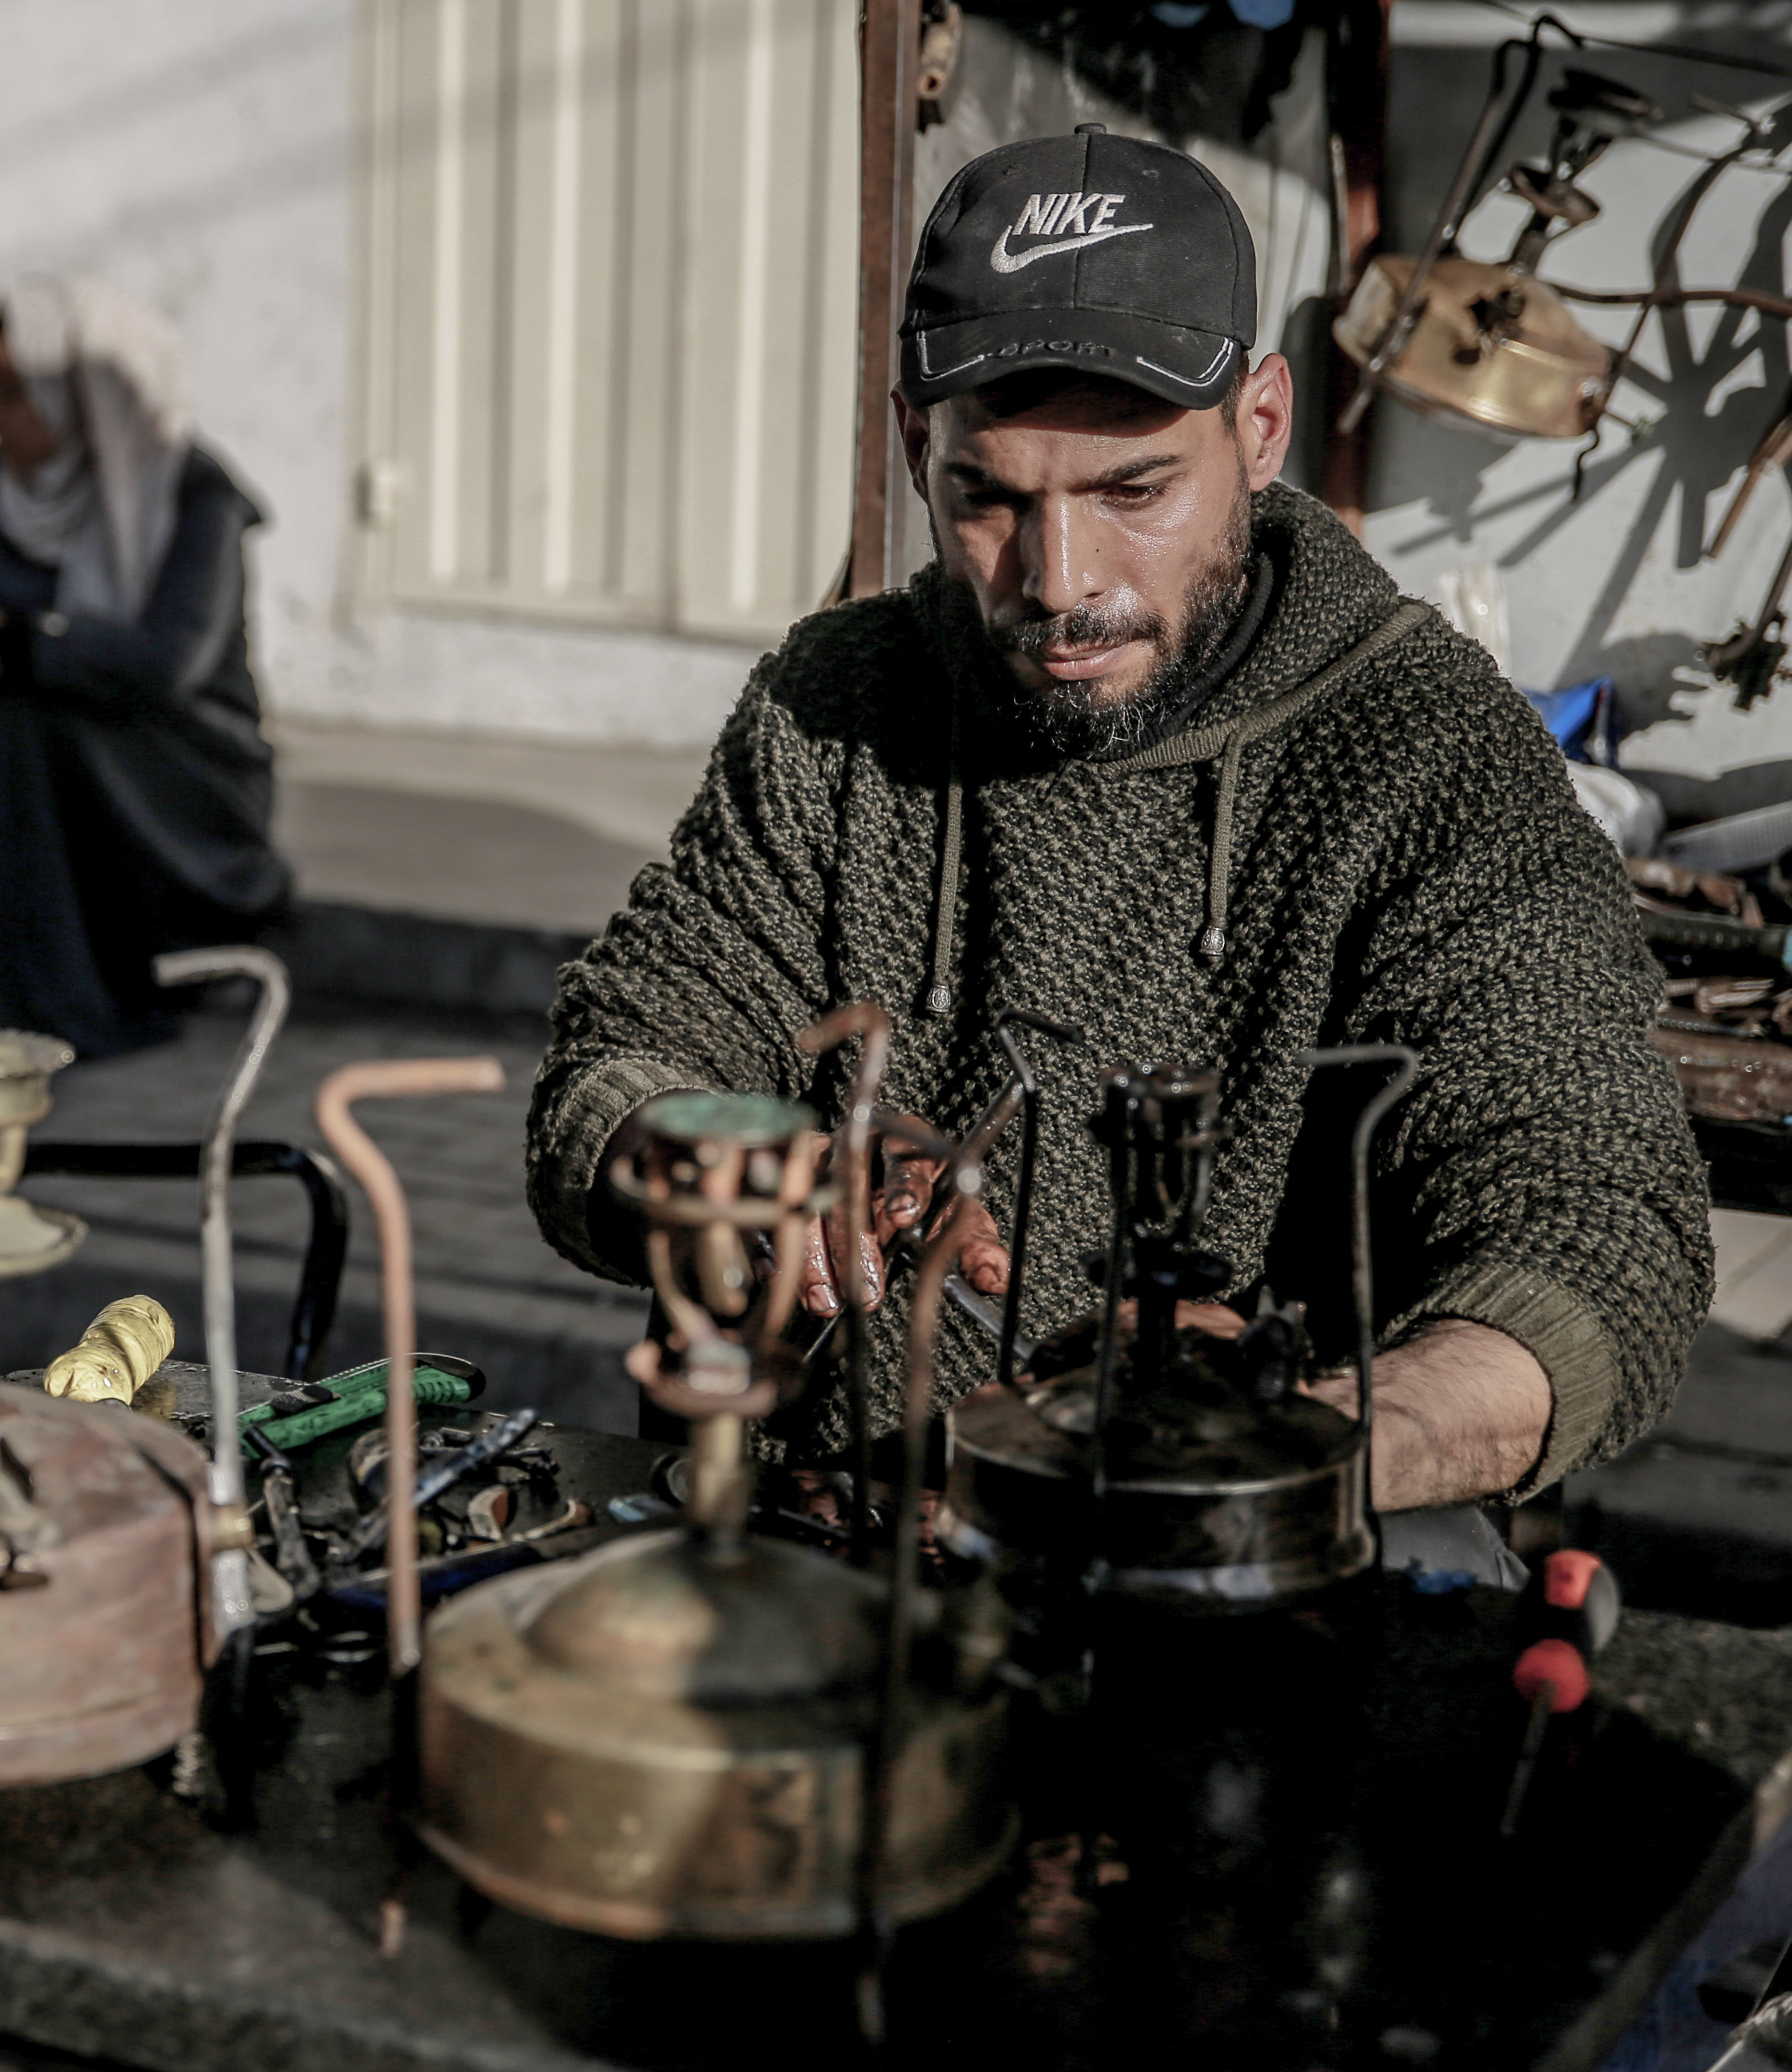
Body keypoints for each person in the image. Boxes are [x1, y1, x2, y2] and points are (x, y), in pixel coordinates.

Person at [527, 128, 1709, 1522]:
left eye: (1132, 490)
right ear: (921, 449)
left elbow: (1591, 1225)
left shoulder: (1430, 750)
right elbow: (621, 1057)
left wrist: (1273, 1453)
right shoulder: (837, 699)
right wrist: (718, 1160)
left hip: (1249, 1583)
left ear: (1259, 427)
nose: (1061, 580)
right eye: (990, 498)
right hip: (841, 1556)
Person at [0, 276, 289, 1057]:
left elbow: (166, 663)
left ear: (80, 397)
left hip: (175, 776)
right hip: (36, 753)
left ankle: (38, 998)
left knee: (20, 713)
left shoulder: (193, 495)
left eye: (14, 390)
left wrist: (11, 644)